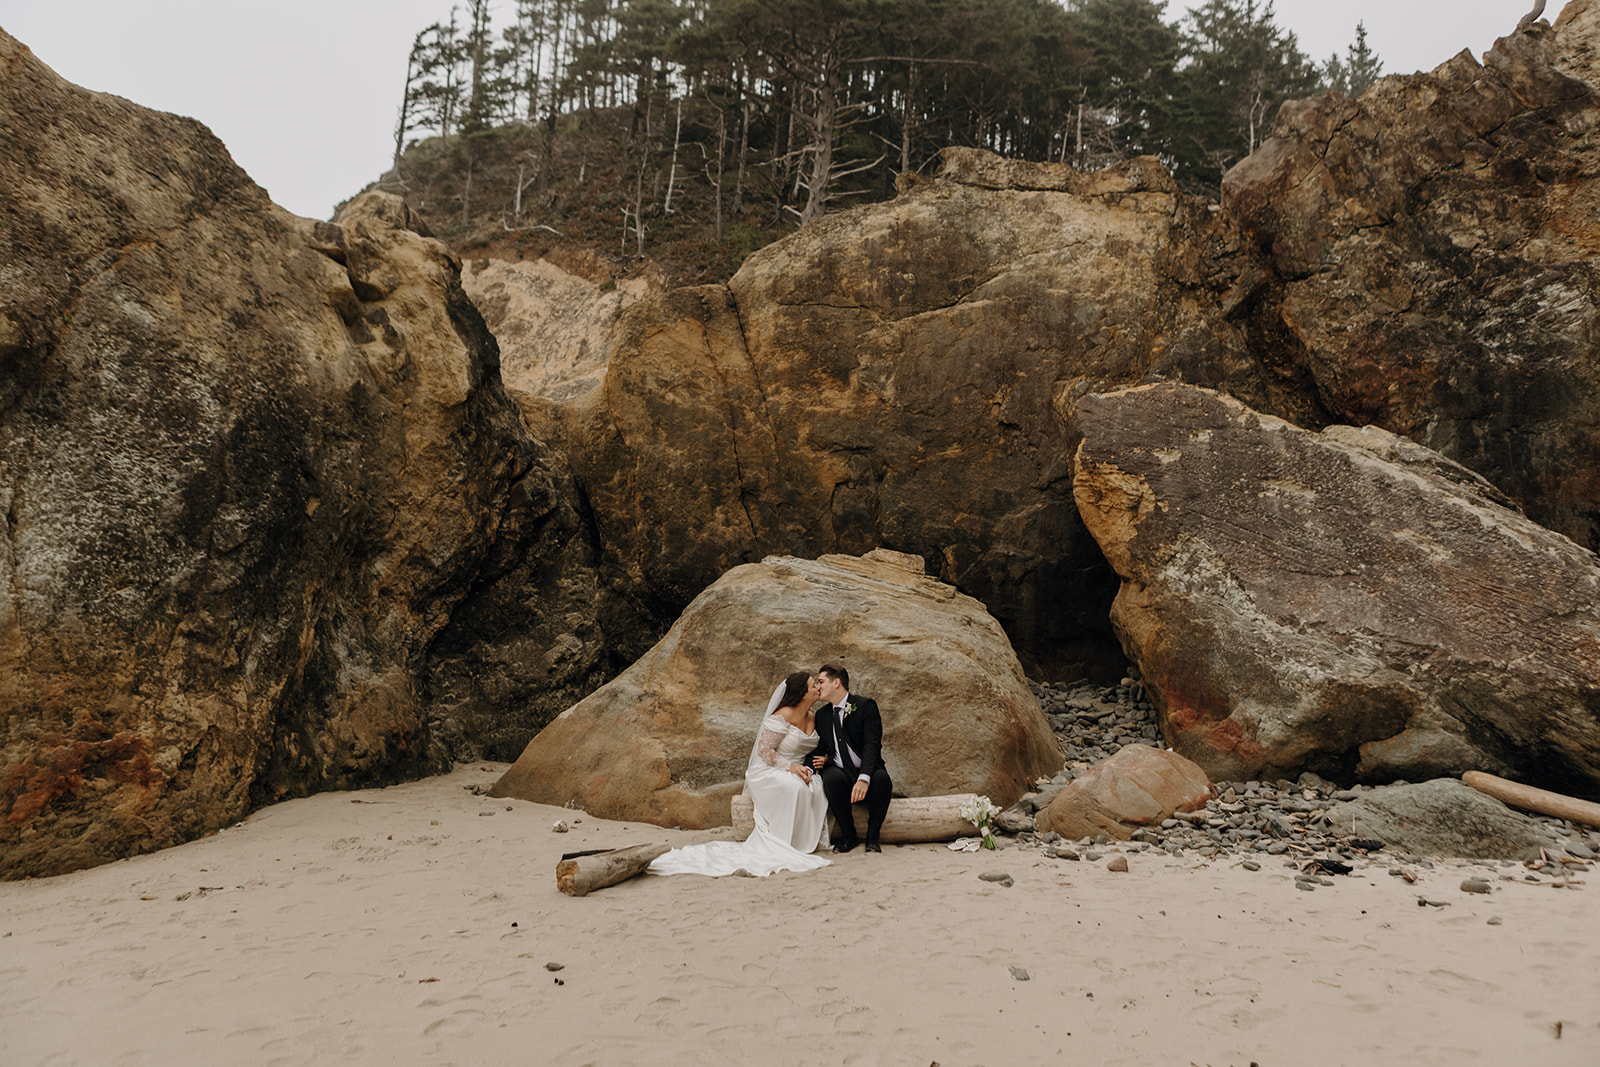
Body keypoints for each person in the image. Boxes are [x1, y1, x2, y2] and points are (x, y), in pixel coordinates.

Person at [648, 671, 832, 878]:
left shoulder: (815, 718)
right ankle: (783, 843)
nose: (817, 687)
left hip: (797, 769)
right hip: (770, 769)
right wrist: (790, 767)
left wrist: (815, 764)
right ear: (802, 694)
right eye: (812, 685)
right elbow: (764, 750)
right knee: (794, 787)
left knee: (815, 788)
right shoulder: (782, 716)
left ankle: (799, 842)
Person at [808, 664, 892, 853]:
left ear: (836, 682)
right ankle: (848, 836)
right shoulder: (821, 715)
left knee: (882, 780)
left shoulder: (865, 706)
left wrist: (864, 778)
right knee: (830, 778)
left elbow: (872, 745)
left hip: (866, 770)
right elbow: (821, 748)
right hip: (840, 773)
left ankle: (872, 838)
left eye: (821, 682)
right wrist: (822, 762)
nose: (818, 687)